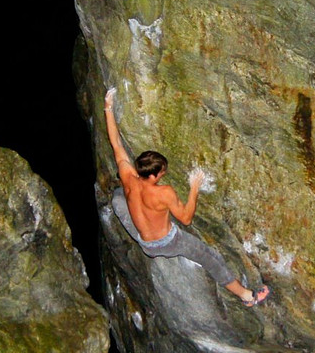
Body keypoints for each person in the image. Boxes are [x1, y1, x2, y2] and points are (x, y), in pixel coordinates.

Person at [104, 88, 269, 307]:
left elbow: (116, 143)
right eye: (162, 172)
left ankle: (131, 213)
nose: (164, 174)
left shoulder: (127, 176)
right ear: (153, 175)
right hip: (166, 243)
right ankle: (247, 296)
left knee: (118, 198)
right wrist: (194, 188)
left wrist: (108, 107)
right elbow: (186, 219)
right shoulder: (164, 192)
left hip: (143, 240)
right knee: (210, 257)